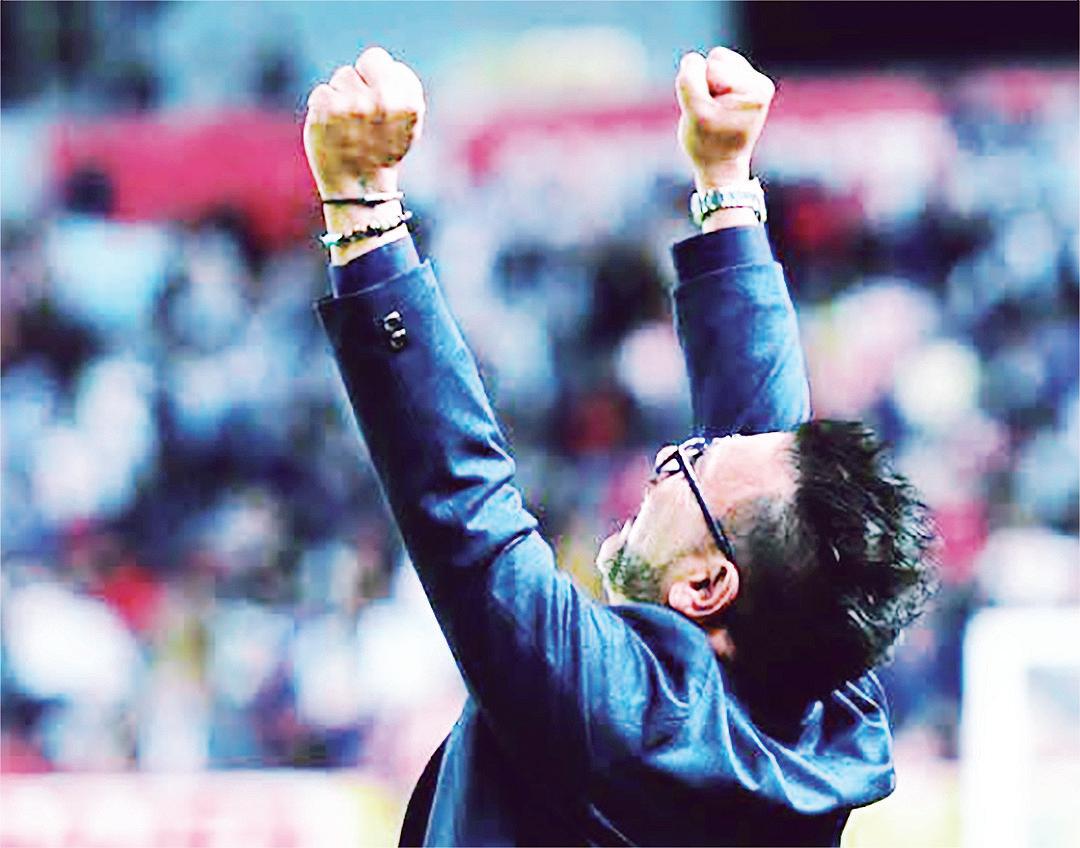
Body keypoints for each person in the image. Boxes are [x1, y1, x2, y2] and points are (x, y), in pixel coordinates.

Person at [304, 45, 937, 847]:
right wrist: (726, 184)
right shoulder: (825, 719)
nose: (669, 460)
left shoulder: (615, 712)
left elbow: (464, 508)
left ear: (705, 586)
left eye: (691, 467)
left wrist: (361, 205)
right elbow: (765, 468)